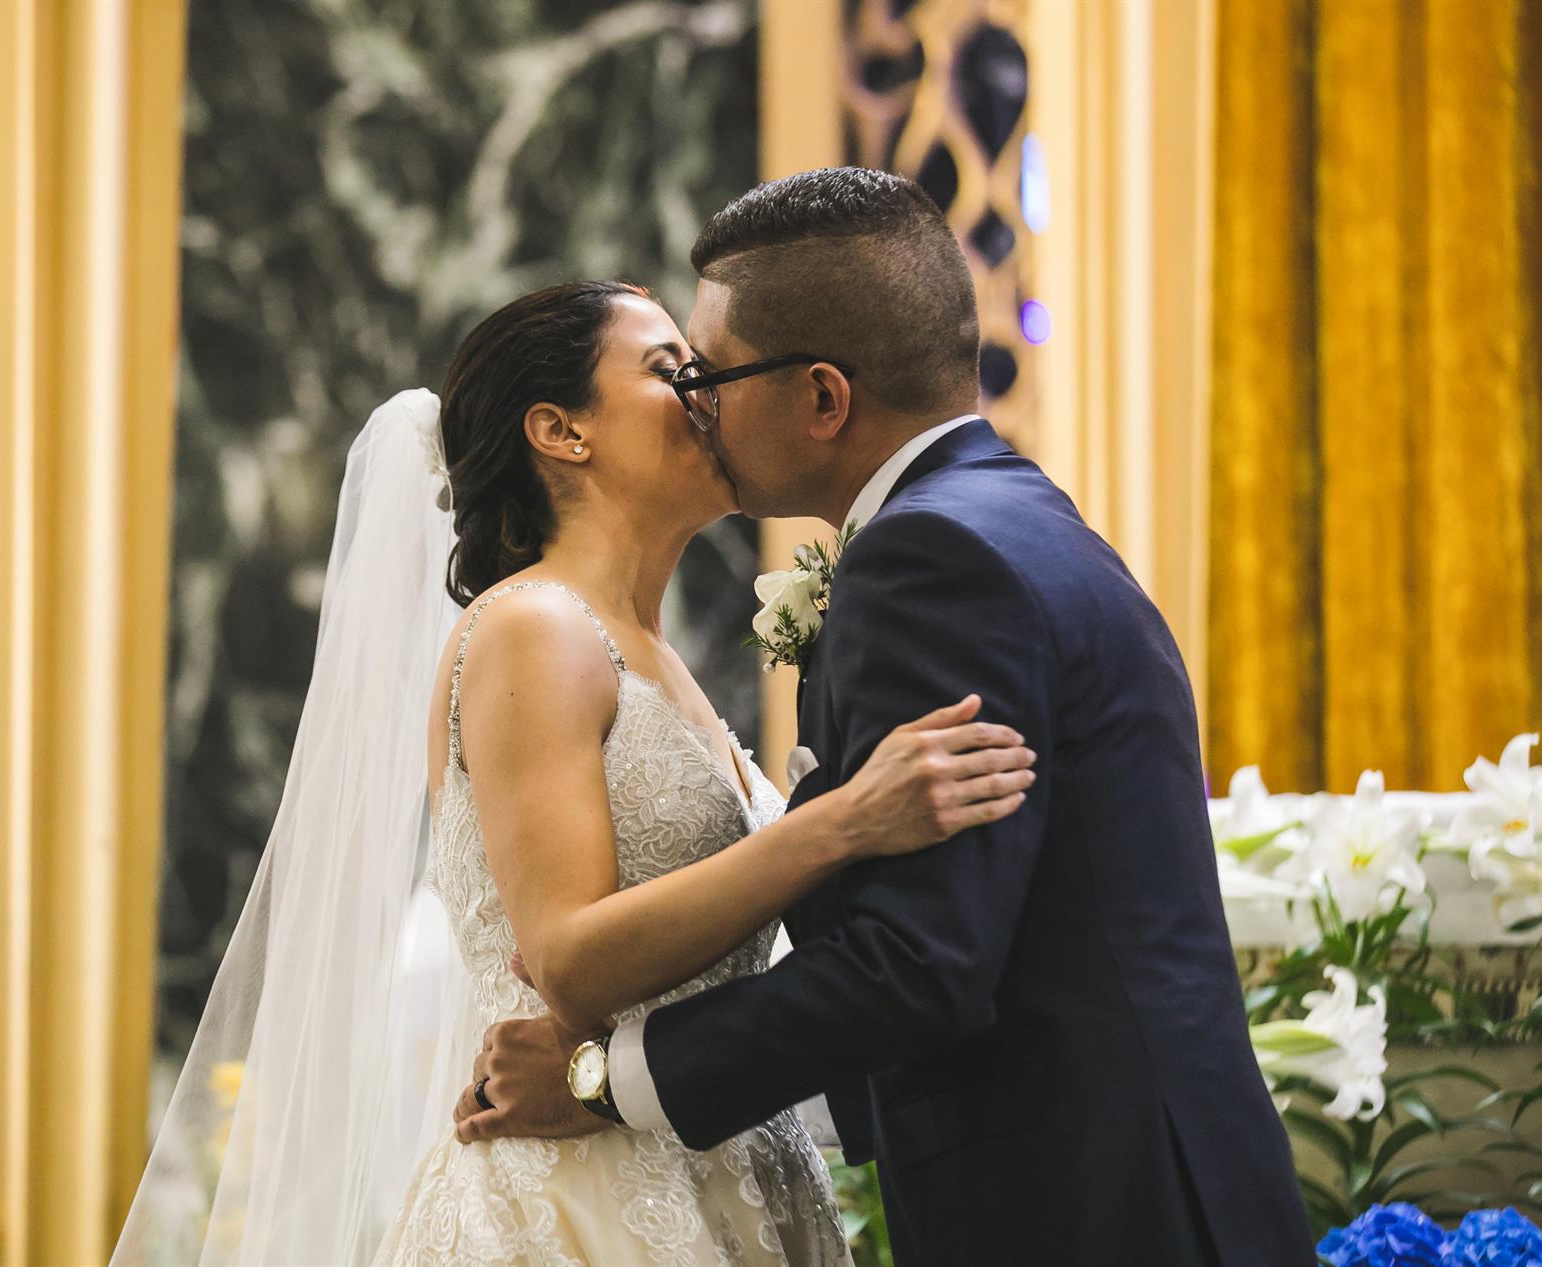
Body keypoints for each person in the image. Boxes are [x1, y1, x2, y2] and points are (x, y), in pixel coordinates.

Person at [454, 169, 1318, 1267]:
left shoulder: (930, 559)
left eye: (706, 373)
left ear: (823, 399)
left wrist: (602, 1080)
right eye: (675, 377)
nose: (697, 405)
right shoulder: (1004, 517)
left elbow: (915, 964)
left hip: (1088, 1206)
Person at [108, 272, 1033, 1266]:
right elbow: (568, 956)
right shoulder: (533, 628)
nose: (706, 396)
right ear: (561, 431)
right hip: (573, 1200)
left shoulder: (655, 654)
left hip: (719, 1167)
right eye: (671, 371)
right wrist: (840, 823)